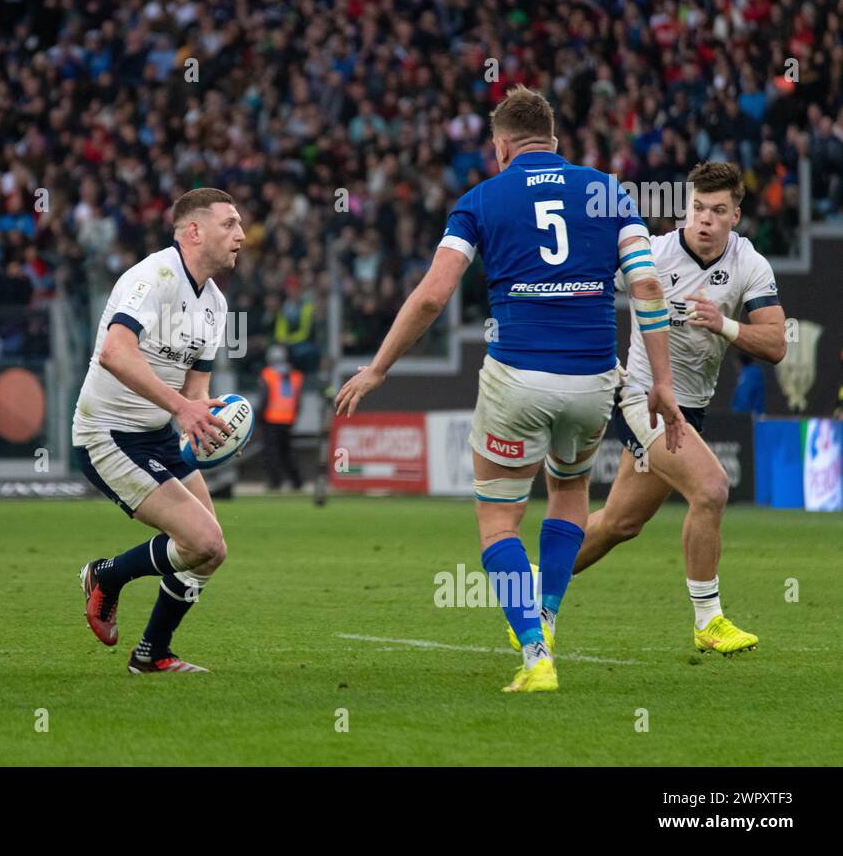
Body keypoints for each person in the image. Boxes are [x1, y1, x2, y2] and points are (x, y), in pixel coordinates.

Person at [335, 85, 684, 693]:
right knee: (571, 489)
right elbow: (648, 291)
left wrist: (379, 367)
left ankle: (533, 653)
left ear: (501, 147)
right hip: (594, 377)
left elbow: (433, 295)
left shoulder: (480, 199)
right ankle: (548, 614)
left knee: (499, 521)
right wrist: (663, 382)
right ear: (554, 139)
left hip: (517, 376)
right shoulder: (608, 191)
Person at [573, 161, 786, 654]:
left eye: (717, 211)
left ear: (736, 214)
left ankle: (531, 585)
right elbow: (584, 294)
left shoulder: (750, 264)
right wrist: (607, 362)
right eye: (695, 208)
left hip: (691, 407)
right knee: (711, 488)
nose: (704, 220)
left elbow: (776, 343)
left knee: (619, 523)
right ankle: (708, 620)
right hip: (643, 398)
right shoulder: (652, 253)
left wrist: (725, 326)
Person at [74, 188, 242, 673]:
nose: (241, 235)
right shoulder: (154, 276)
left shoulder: (215, 304)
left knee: (211, 552)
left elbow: (196, 391)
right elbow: (115, 351)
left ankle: (151, 654)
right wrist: (182, 409)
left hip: (158, 436)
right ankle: (107, 576)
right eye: (229, 224)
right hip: (107, 434)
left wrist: (208, 424)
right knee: (203, 542)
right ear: (194, 231)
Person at [258, 344, 303, 491]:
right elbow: (297, 401)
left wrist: (259, 416)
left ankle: (275, 482)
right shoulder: (295, 376)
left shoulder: (268, 374)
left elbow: (264, 398)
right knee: (287, 453)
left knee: (271, 453)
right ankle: (297, 481)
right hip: (288, 419)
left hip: (270, 419)